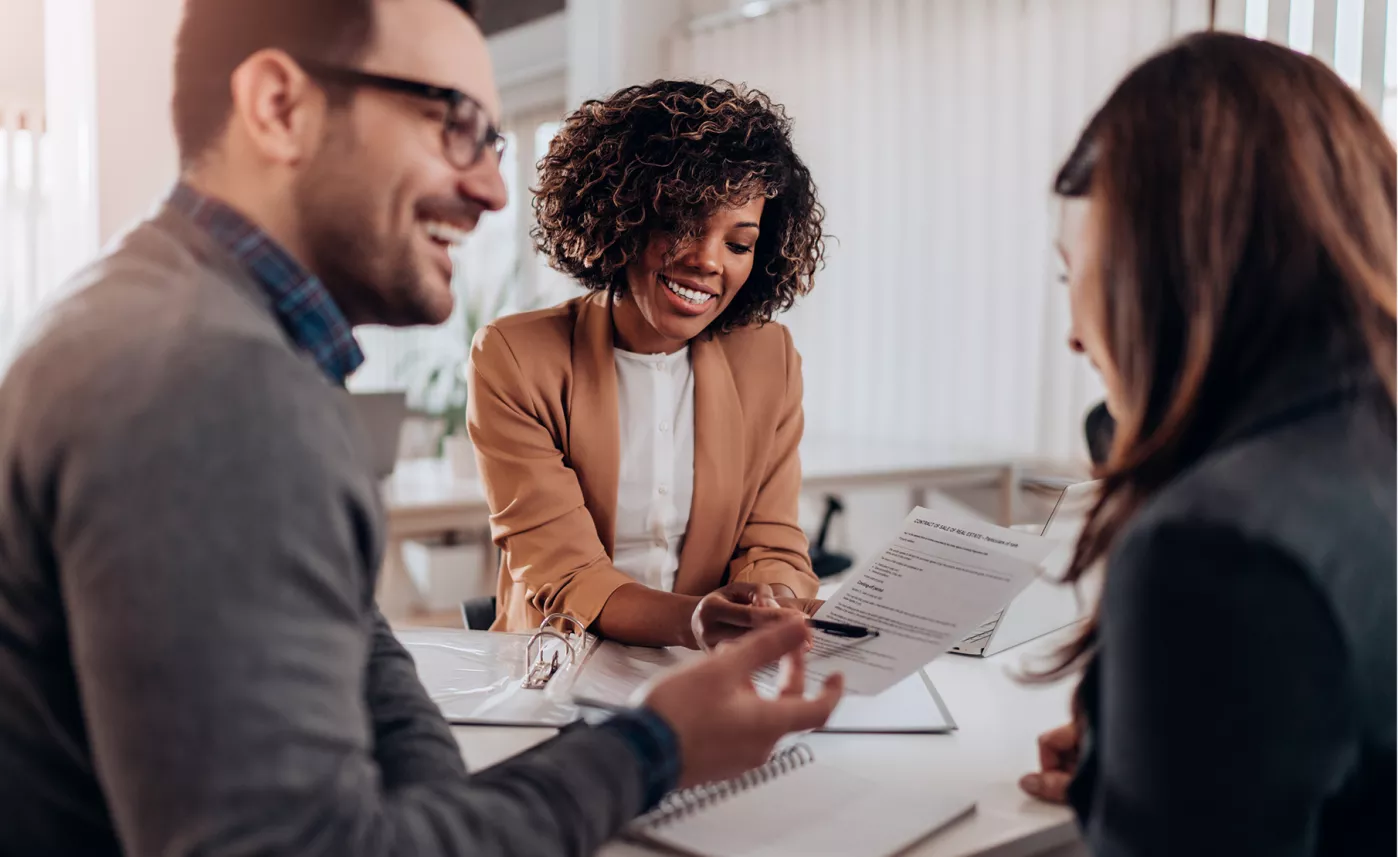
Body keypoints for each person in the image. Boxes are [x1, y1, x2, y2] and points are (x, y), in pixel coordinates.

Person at [0, 2, 843, 855]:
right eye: (453, 126)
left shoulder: (180, 315)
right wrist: (654, 749)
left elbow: (361, 645)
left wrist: (445, 796)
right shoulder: (207, 383)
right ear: (279, 107)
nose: (487, 190)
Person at [1017, 32, 1395, 856]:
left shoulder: (1216, 546)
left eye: (1070, 275)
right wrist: (1161, 754)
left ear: (1158, 269)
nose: (1077, 339)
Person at [469, 80, 827, 648]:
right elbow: (565, 574)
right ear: (623, 218)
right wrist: (694, 621)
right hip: (554, 664)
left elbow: (772, 542)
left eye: (738, 244)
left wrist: (771, 601)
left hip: (704, 671)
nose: (707, 261)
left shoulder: (769, 358)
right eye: (682, 225)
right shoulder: (515, 357)